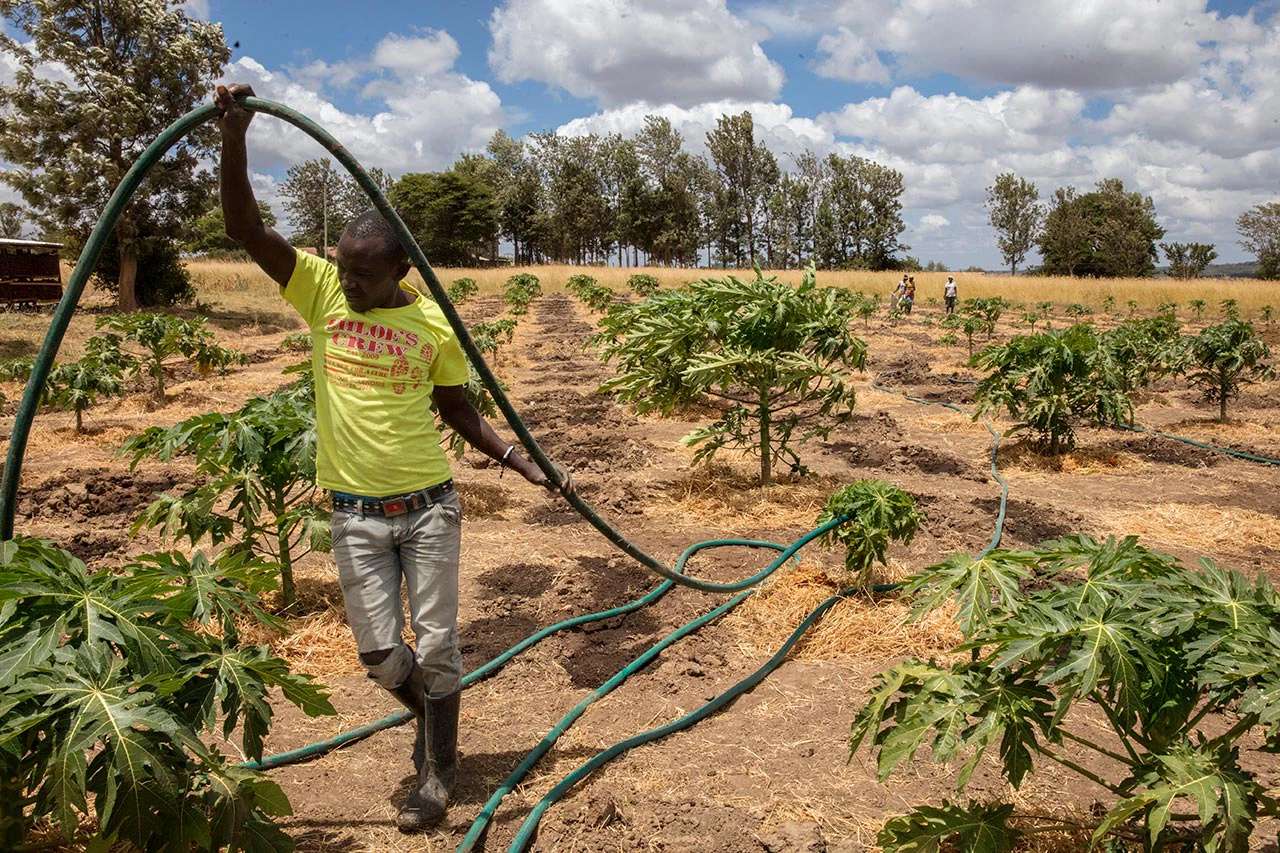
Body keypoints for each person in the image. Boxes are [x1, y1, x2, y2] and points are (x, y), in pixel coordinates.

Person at [215, 83, 575, 833]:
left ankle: (439, 771)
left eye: (362, 273)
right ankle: (432, 723)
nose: (347, 280)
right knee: (381, 654)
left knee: (438, 645)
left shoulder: (435, 326)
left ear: (399, 273)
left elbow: (457, 410)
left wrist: (520, 460)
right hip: (354, 513)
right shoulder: (319, 292)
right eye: (342, 266)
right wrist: (236, 134)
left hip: (429, 509)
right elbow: (244, 226)